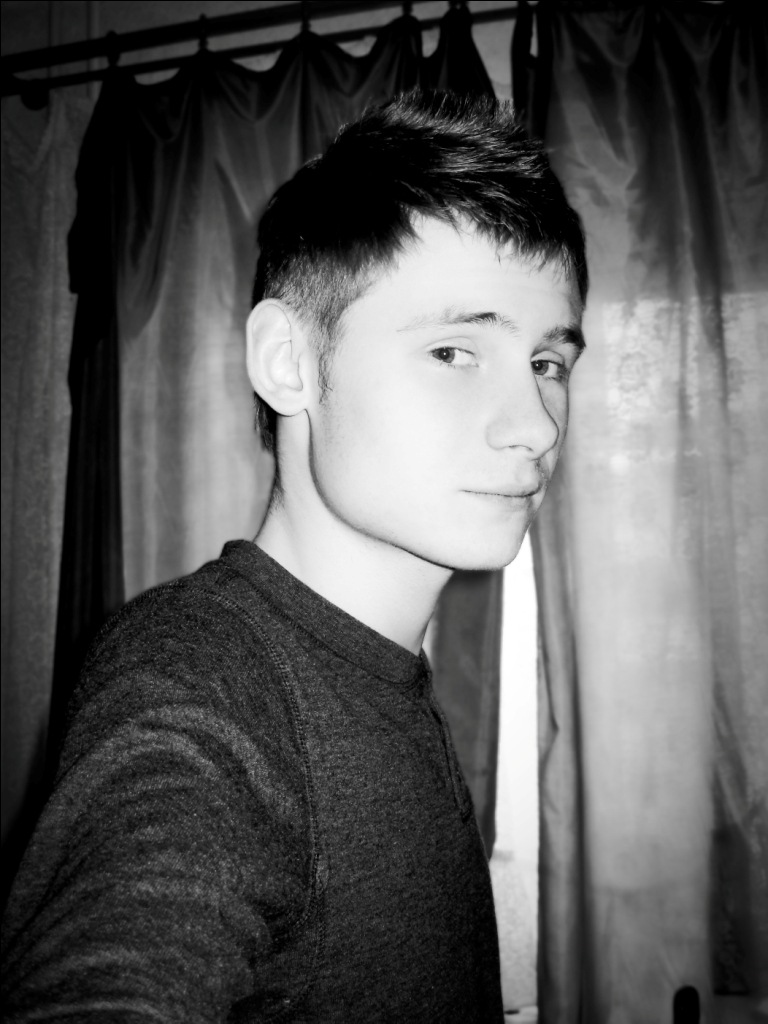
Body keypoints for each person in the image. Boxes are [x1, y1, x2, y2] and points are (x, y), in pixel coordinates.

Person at [1, 91, 587, 1022]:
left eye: (548, 364)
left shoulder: (378, 673)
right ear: (288, 361)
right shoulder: (200, 679)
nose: (535, 427)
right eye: (453, 352)